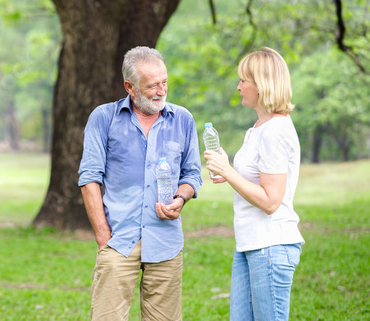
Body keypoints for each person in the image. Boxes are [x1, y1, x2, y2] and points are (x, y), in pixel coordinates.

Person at [78, 46, 202, 321]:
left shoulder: (183, 119)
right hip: (118, 240)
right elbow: (89, 178)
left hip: (166, 241)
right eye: (152, 85)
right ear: (130, 87)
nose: (161, 90)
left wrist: (180, 199)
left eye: (164, 82)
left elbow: (192, 174)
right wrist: (103, 236)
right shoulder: (103, 118)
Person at [203, 47, 305, 321]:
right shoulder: (258, 128)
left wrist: (228, 171)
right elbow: (254, 181)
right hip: (249, 244)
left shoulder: (276, 131)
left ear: (262, 85)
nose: (238, 87)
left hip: (270, 246)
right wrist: (228, 173)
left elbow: (271, 201)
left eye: (243, 81)